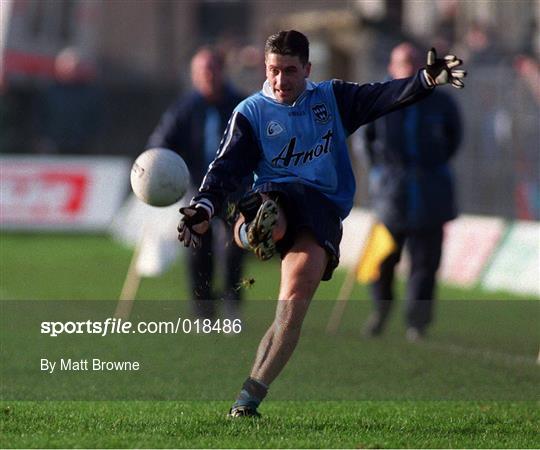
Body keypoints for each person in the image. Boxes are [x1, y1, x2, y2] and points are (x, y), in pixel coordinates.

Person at [178, 30, 466, 417]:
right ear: (265, 69)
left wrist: (426, 79)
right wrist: (202, 208)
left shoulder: (332, 99)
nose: (280, 81)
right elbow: (223, 169)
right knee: (269, 216)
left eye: (290, 71)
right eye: (273, 71)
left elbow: (383, 96)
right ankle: (250, 228)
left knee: (294, 302)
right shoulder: (250, 112)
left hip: (321, 211)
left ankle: (248, 399)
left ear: (308, 69)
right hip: (274, 194)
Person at [361, 42, 463, 342]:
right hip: (391, 196)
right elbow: (365, 143)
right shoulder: (380, 100)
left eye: (414, 62)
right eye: (403, 62)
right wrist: (380, 174)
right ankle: (380, 309)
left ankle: (416, 324)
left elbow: (453, 140)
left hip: (431, 194)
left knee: (424, 265)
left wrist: (433, 167)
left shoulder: (442, 103)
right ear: (392, 68)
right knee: (381, 262)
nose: (409, 67)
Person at [146, 46, 247, 320]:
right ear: (194, 75)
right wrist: (156, 166)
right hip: (196, 191)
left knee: (235, 247)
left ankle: (231, 306)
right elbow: (160, 143)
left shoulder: (242, 106)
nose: (208, 75)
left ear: (221, 71)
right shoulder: (184, 109)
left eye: (212, 69)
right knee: (196, 245)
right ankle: (203, 310)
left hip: (234, 190)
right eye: (202, 70)